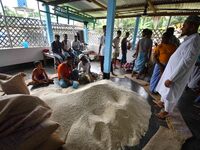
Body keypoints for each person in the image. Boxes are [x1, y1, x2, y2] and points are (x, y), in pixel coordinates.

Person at [154, 15, 200, 119]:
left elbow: (185, 63)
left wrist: (172, 78)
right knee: (166, 90)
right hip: (172, 71)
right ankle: (162, 103)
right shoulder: (190, 38)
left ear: (192, 27)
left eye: (184, 25)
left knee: (171, 92)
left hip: (176, 75)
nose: (182, 28)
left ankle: (166, 112)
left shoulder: (194, 42)